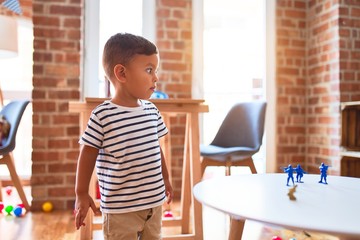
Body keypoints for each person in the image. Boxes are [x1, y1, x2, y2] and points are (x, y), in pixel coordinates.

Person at [74, 33, 173, 240]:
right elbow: (88, 153)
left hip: (153, 205)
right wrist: (81, 193)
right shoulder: (102, 115)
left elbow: (155, 149)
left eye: (156, 70)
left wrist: (165, 178)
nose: (155, 77)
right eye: (149, 70)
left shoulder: (152, 111)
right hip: (120, 210)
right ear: (121, 73)